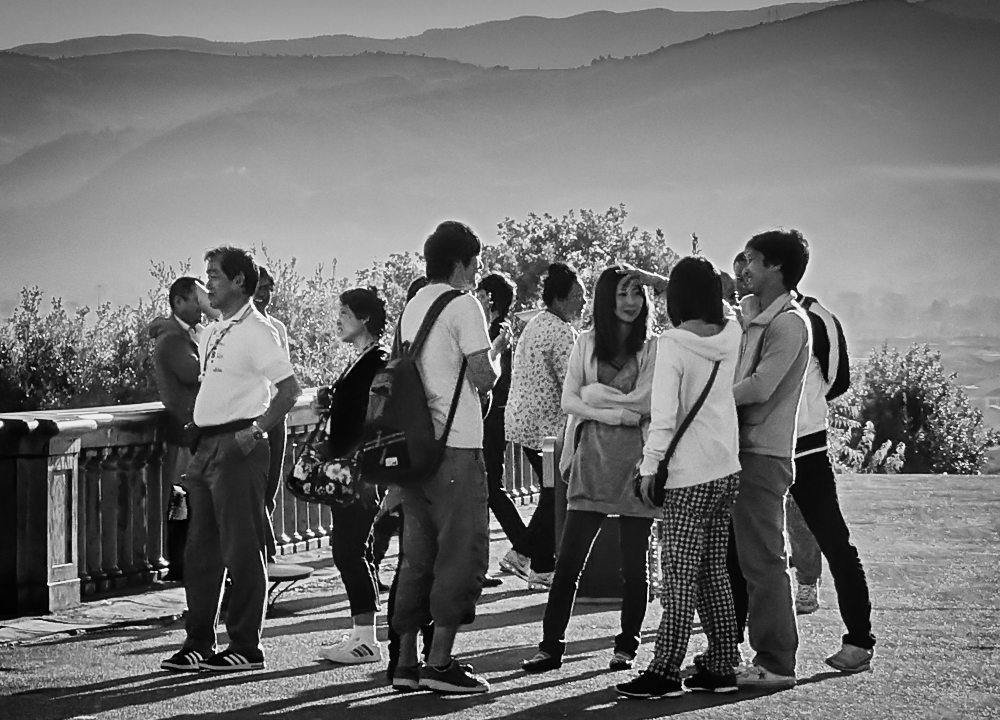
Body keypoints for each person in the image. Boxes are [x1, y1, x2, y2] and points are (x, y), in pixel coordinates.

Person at [160, 245, 300, 673]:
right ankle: (198, 642)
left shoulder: (257, 330)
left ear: (240, 281)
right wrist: (165, 323)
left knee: (242, 551)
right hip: (206, 448)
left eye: (216, 275)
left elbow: (289, 390)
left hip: (239, 448)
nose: (207, 284)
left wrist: (255, 431)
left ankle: (245, 646)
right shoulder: (217, 330)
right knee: (200, 553)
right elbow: (194, 314)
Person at [615, 256, 743, 699]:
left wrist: (649, 468)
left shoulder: (672, 343)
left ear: (675, 297)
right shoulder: (733, 334)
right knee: (713, 574)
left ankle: (665, 671)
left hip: (687, 477)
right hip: (726, 469)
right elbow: (725, 289)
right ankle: (724, 663)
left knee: (679, 576)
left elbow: (664, 417)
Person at [522, 266, 657, 673]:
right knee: (568, 564)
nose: (631, 301)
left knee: (634, 566)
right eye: (621, 294)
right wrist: (619, 413)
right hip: (592, 461)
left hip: (638, 465)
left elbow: (648, 403)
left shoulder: (654, 347)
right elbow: (570, 401)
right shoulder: (586, 341)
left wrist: (597, 398)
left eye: (637, 293)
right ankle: (550, 647)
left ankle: (626, 646)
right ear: (604, 299)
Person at [391, 221, 500, 694]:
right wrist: (496, 347)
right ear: (462, 262)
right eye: (475, 264)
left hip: (417, 450)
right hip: (456, 447)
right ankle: (441, 663)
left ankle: (406, 663)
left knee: (417, 556)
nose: (477, 274)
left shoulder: (412, 306)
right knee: (461, 552)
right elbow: (484, 377)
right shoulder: (463, 304)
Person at [729, 229, 811, 689]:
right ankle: (756, 654)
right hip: (746, 451)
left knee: (764, 562)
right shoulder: (763, 317)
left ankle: (777, 663)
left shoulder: (789, 324)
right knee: (750, 561)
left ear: (777, 267)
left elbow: (759, 387)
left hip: (763, 454)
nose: (744, 269)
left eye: (753, 261)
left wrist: (704, 402)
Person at [787, 291, 876, 672]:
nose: (744, 274)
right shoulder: (750, 314)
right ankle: (731, 648)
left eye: (752, 264)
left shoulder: (816, 316)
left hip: (806, 450)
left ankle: (859, 641)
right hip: (760, 448)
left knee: (835, 543)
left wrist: (808, 405)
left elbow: (838, 379)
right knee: (745, 548)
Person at [316, 288, 390, 664]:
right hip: (351, 469)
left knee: (350, 551)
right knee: (352, 549)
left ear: (364, 318)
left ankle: (367, 639)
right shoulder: (361, 360)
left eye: (344, 312)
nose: (339, 319)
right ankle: (363, 635)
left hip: (358, 472)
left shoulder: (376, 360)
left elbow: (374, 418)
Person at [503, 263, 585, 590]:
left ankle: (538, 566)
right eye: (578, 296)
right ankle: (522, 554)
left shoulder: (535, 323)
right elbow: (572, 382)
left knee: (551, 493)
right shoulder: (562, 332)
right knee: (555, 495)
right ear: (561, 298)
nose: (582, 302)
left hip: (525, 426)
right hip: (548, 432)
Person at [149, 276, 210, 582]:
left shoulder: (184, 334)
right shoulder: (173, 339)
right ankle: (179, 563)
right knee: (182, 500)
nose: (203, 307)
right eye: (197, 300)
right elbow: (194, 372)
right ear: (178, 302)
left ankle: (181, 563)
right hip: (185, 434)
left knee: (182, 500)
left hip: (189, 431)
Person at [475, 273, 520, 584]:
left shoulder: (495, 330)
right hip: (500, 413)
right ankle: (526, 545)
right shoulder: (504, 327)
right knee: (490, 486)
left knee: (491, 487)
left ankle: (528, 545)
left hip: (493, 415)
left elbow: (487, 368)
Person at [252, 265, 292, 563]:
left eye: (269, 288)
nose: (264, 294)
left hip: (278, 418)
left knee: (269, 490)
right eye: (259, 287)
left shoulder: (277, 328)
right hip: (254, 416)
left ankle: (265, 552)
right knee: (252, 489)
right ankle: (264, 554)